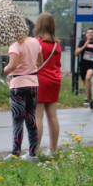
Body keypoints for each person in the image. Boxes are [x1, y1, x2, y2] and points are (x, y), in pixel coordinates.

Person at [3, 23, 44, 161]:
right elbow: (40, 60)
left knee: (18, 121)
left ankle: (15, 153)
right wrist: (30, 66)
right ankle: (32, 154)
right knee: (31, 119)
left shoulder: (15, 45)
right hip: (33, 83)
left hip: (18, 86)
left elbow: (12, 65)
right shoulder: (35, 42)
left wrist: (6, 69)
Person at [34, 12, 62, 155]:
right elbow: (57, 63)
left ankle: (36, 149)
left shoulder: (37, 43)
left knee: (37, 116)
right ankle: (53, 148)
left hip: (40, 80)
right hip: (55, 80)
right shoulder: (57, 45)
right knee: (53, 116)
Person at [74, 27, 93, 109]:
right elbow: (76, 53)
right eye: (88, 32)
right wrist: (84, 46)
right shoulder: (82, 42)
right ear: (85, 35)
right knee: (87, 85)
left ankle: (87, 98)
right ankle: (90, 100)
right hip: (83, 66)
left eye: (92, 32)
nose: (90, 34)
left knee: (88, 78)